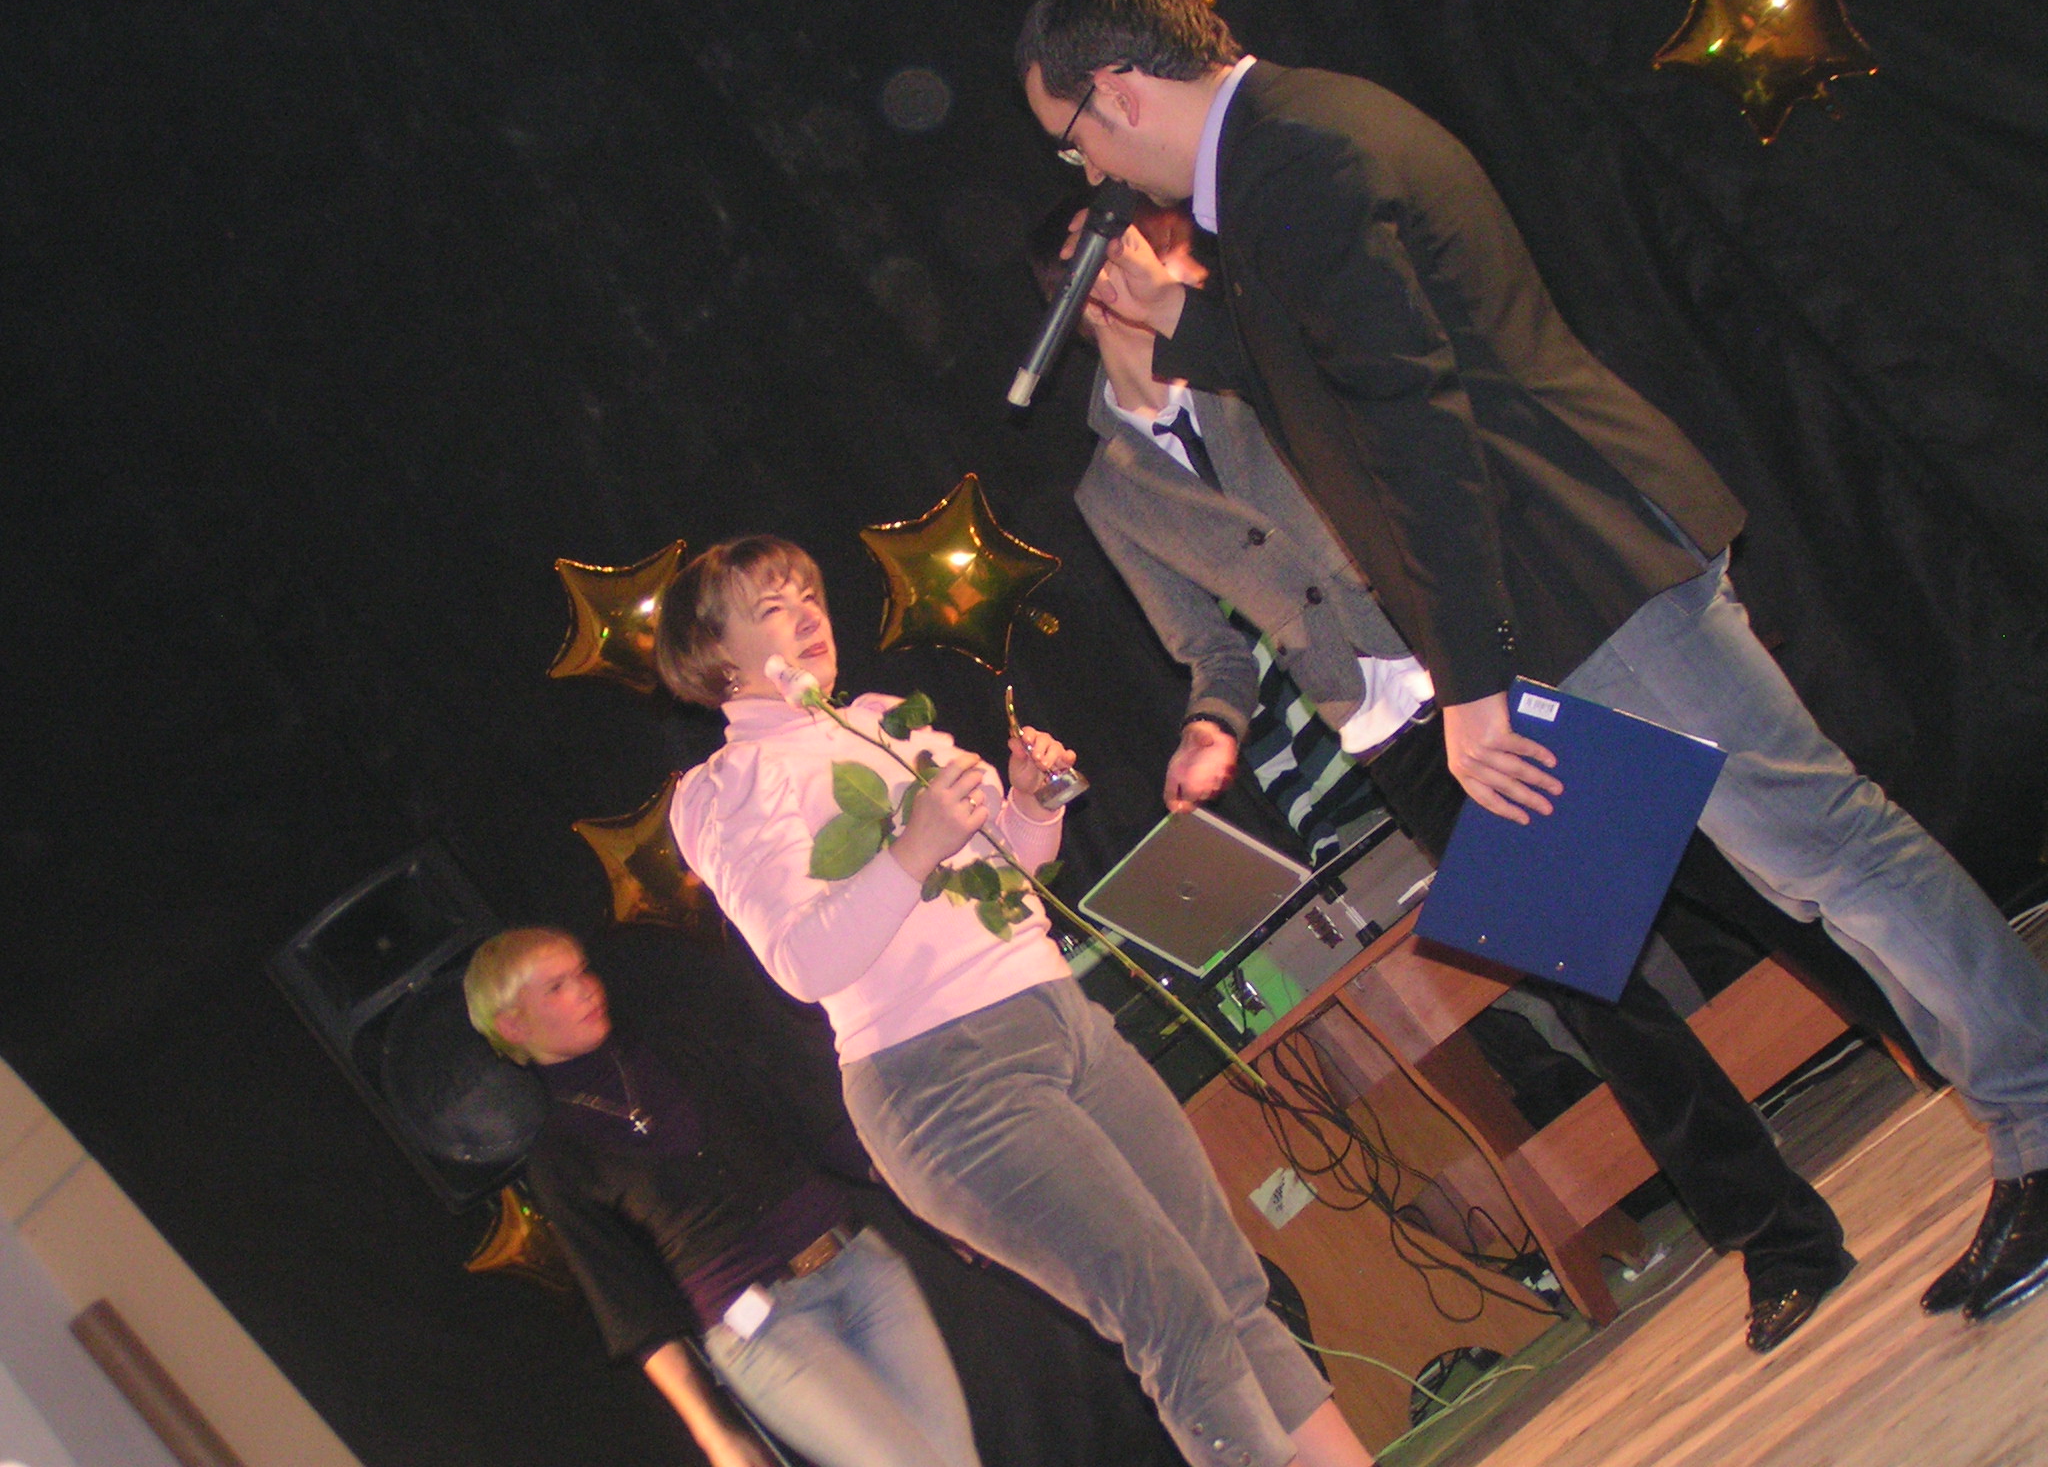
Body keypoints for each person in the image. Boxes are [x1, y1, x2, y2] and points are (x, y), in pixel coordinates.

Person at [1015, 0, 2048, 1324]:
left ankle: (2033, 1119)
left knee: (1828, 852)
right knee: (1793, 867)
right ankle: (1996, 1136)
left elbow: (1416, 425)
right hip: (1570, 569)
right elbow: (1342, 375)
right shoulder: (1293, 136)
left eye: (1071, 139)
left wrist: (1472, 677)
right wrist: (1187, 327)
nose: (1088, 172)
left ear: (1115, 90)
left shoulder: (1290, 164)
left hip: (1577, 563)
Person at [1033, 198, 1860, 1351]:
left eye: (1134, 232)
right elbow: (1208, 647)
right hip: (1391, 735)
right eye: (1102, 245)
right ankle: (1777, 1238)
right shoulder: (1108, 490)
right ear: (1070, 297)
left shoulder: (1250, 354)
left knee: (1735, 870)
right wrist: (1211, 726)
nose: (1129, 253)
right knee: (1586, 984)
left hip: (1479, 658)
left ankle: (1953, 1040)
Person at [658, 536, 1376, 1467]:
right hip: (943, 1080)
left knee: (1230, 1287)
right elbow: (802, 960)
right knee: (1170, 1312)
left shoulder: (883, 723)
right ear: (715, 657)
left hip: (1058, 1017)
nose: (807, 616)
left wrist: (1031, 808)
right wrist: (916, 843)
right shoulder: (729, 787)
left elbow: (1005, 883)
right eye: (771, 609)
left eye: (809, 595)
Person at [464, 926, 984, 1467]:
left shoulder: (677, 1046)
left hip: (858, 1267)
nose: (586, 989)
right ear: (513, 1025)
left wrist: (933, 1204)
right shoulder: (560, 1158)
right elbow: (633, 1311)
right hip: (765, 1331)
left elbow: (814, 1126)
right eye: (556, 987)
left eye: (582, 972)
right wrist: (713, 1432)